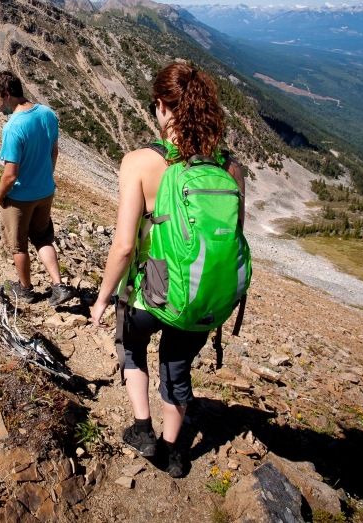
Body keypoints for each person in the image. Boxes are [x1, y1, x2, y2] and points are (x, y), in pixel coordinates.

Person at [90, 62, 246, 478]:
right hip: (200, 295)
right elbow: (232, 241)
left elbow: (124, 246)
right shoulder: (231, 170)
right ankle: (175, 453)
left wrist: (103, 299)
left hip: (151, 293)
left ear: (161, 107)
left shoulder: (139, 162)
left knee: (132, 344)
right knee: (177, 369)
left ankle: (142, 429)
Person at [0, 70, 73, 306]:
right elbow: (54, 151)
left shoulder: (13, 127)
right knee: (43, 238)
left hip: (20, 197)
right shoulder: (47, 113)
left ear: (7, 94)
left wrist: (0, 196)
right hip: (45, 191)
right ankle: (58, 286)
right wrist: (45, 176)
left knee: (18, 245)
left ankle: (26, 289)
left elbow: (10, 175)